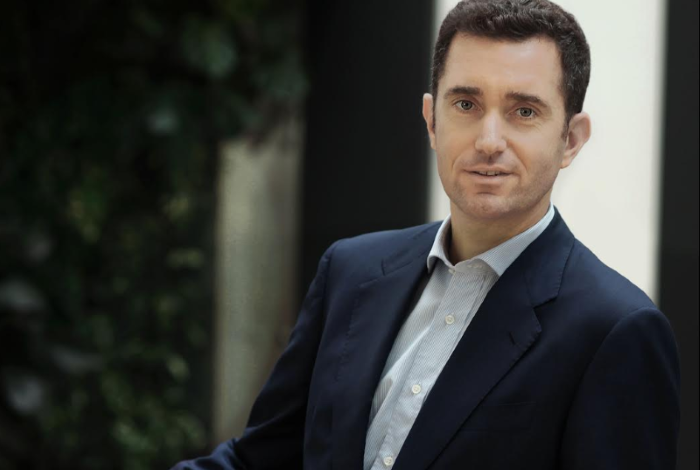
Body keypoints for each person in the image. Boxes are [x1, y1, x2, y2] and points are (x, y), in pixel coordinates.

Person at [172, 0, 680, 468]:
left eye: (524, 112)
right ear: (432, 121)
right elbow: (260, 461)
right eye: (466, 105)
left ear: (570, 139)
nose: (489, 140)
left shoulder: (616, 331)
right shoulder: (351, 272)